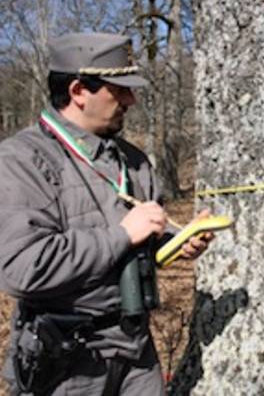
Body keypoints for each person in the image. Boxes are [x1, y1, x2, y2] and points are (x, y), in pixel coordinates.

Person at [0, 32, 212, 395]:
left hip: (137, 351)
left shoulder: (134, 161)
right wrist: (122, 235)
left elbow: (140, 243)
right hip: (67, 361)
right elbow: (23, 268)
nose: (131, 99)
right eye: (120, 89)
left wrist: (177, 242)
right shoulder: (21, 161)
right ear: (79, 91)